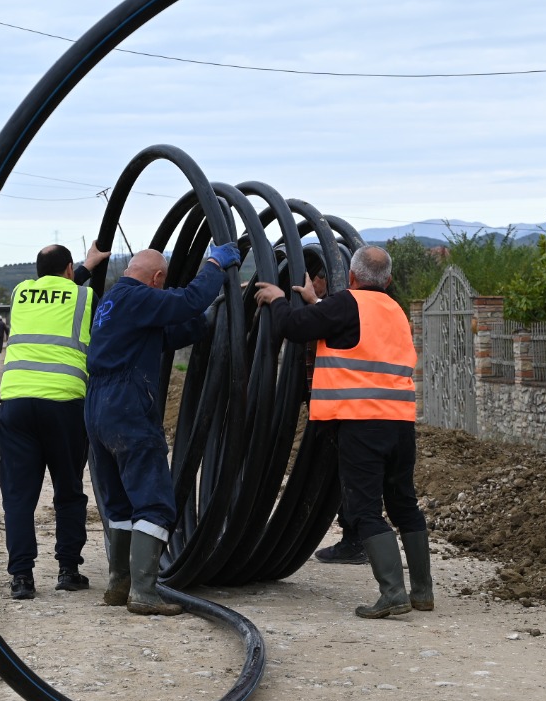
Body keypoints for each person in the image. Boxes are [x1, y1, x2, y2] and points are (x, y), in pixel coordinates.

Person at [254, 244, 432, 618]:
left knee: (365, 507)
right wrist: (317, 300)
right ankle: (421, 592)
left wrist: (275, 299)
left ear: (351, 278)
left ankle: (392, 593)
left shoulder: (347, 303)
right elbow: (350, 331)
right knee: (403, 503)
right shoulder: (395, 311)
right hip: (400, 424)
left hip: (360, 423)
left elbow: (295, 327)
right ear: (389, 280)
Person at [86, 241, 241, 615]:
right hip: (127, 406)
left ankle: (119, 583)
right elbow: (187, 301)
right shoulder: (138, 298)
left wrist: (207, 321)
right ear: (156, 279)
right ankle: (144, 591)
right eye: (163, 283)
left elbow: (168, 334)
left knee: (120, 503)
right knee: (154, 500)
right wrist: (213, 267)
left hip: (97, 408)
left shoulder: (111, 303)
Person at [0, 242, 108, 600]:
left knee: (18, 497)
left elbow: (58, 289)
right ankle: (68, 570)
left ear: (36, 272)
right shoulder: (84, 298)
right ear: (70, 270)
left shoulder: (20, 293)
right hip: (64, 406)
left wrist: (83, 266)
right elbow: (73, 293)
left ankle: (22, 578)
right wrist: (88, 267)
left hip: (15, 405)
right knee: (68, 490)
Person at [290, 246, 367, 567]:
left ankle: (355, 540)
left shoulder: (338, 307)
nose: (305, 284)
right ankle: (355, 538)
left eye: (309, 278)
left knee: (345, 473)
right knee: (337, 471)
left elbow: (312, 324)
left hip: (345, 407)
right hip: (329, 405)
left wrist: (311, 303)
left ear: (321, 278)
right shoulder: (328, 306)